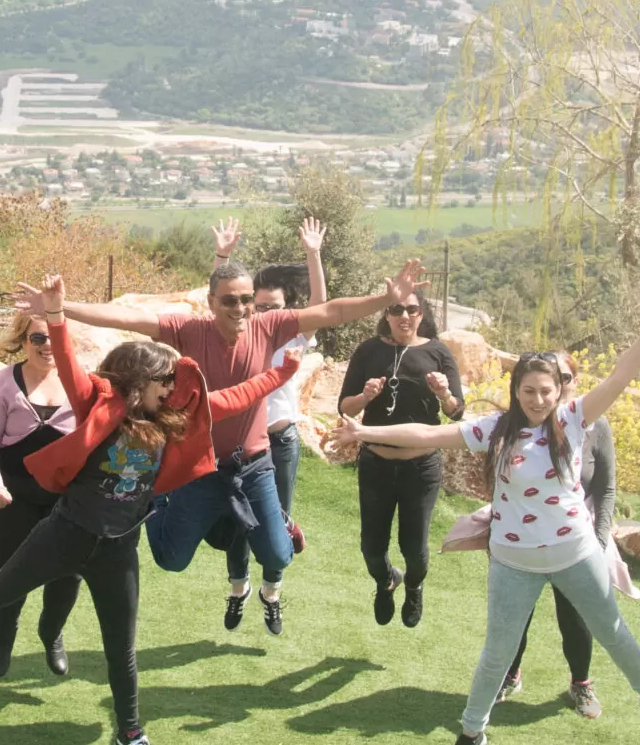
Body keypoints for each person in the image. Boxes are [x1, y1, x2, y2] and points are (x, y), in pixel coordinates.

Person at [0, 274, 300, 745]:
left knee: (121, 647)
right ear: (138, 382)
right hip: (67, 531)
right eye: (162, 380)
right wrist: (56, 317)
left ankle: (129, 733)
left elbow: (236, 396)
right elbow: (72, 365)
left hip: (118, 548)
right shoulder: (97, 405)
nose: (171, 387)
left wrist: (282, 375)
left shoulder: (173, 415)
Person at [331, 291, 640, 745]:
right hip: (513, 562)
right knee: (496, 655)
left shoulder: (574, 420)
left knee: (614, 632)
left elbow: (621, 377)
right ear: (516, 390)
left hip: (576, 554)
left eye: (546, 390)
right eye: (529, 390)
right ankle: (470, 733)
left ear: (558, 392)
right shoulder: (494, 430)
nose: (538, 399)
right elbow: (425, 434)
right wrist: (363, 433)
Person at [58, 250, 425, 628]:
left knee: (279, 558)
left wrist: (386, 299)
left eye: (247, 299)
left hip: (254, 466)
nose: (241, 308)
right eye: (230, 300)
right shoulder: (190, 330)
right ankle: (161, 496)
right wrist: (60, 309)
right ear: (211, 302)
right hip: (201, 467)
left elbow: (331, 312)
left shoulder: (269, 327)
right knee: (171, 559)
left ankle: (273, 525)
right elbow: (130, 318)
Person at [208, 215, 329, 633]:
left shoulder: (292, 337)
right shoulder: (241, 334)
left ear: (285, 310)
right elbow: (218, 301)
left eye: (273, 308)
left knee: (278, 523)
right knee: (240, 522)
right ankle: (238, 589)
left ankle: (271, 594)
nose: (262, 314)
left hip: (280, 441)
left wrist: (313, 254)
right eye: (257, 307)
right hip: (240, 446)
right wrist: (222, 256)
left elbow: (320, 306)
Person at [500, 352, 630, 711]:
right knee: (516, 613)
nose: (557, 389)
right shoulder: (522, 423)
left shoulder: (594, 425)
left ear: (569, 383)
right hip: (524, 541)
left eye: (566, 379)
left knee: (575, 615)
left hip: (574, 539)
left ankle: (580, 683)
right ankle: (509, 674)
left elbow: (605, 488)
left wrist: (599, 541)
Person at [339, 281, 464, 629]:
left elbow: (456, 412)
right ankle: (386, 580)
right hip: (375, 465)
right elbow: (344, 407)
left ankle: (413, 584)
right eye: (397, 309)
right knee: (371, 550)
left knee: (415, 550)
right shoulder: (368, 351)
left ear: (422, 314)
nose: (404, 316)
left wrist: (443, 394)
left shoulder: (438, 352)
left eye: (412, 309)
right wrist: (364, 397)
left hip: (421, 468)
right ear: (386, 313)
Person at [0, 304, 81, 676]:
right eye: (38, 337)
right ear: (23, 340)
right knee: (11, 571)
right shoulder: (4, 383)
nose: (47, 344)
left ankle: (52, 634)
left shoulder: (79, 382)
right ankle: (3, 638)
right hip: (12, 495)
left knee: (69, 572)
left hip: (63, 499)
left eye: (54, 335)